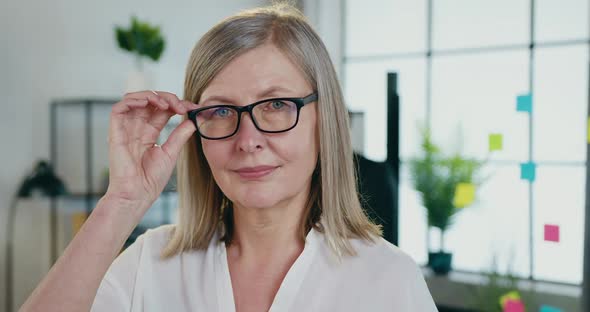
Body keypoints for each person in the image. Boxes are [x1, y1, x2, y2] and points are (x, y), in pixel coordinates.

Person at [21, 3, 437, 311]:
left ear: (323, 119)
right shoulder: (152, 262)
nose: (248, 139)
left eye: (276, 105)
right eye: (221, 111)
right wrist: (121, 203)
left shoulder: (388, 279)